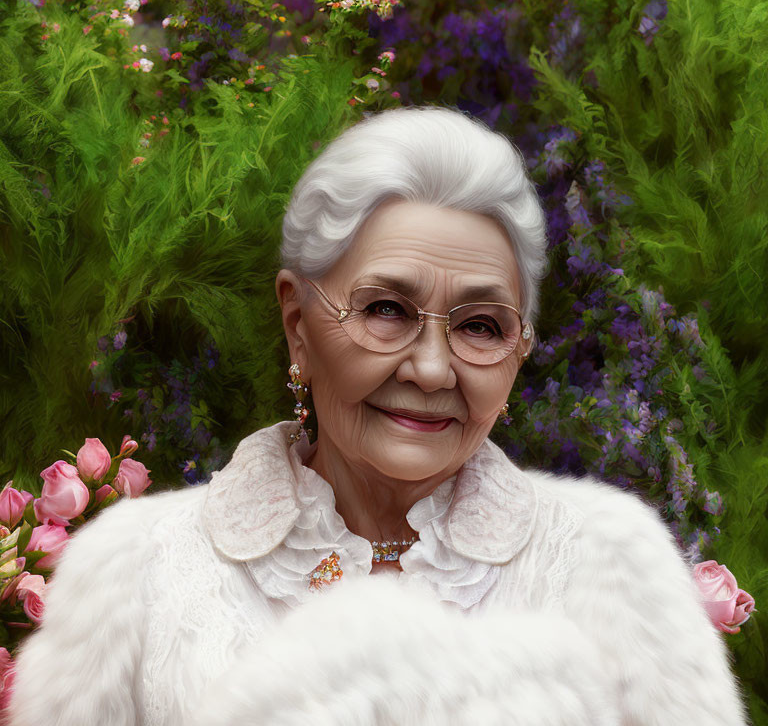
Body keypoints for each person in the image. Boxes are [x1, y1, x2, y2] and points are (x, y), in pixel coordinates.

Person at [7, 106, 749, 726]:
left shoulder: (610, 564)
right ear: (299, 324)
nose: (431, 368)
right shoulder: (135, 573)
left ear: (520, 350)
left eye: (481, 326)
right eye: (386, 310)